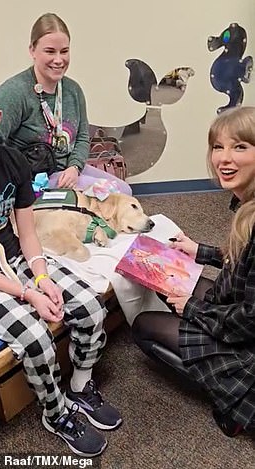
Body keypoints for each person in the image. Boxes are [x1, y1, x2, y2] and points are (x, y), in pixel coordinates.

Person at [0, 71, 122, 457]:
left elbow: (27, 234)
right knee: (36, 338)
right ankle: (55, 411)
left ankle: (79, 386)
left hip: (15, 256)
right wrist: (29, 293)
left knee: (91, 307)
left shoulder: (13, 161)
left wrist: (43, 276)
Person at [133, 106, 255, 438]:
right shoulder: (246, 202)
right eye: (219, 147)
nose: (224, 158)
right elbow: (242, 259)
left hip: (249, 345)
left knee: (144, 327)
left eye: (240, 147)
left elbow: (249, 320)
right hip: (240, 309)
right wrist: (199, 250)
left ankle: (237, 404)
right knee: (167, 280)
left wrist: (192, 309)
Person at [0, 12, 132, 195]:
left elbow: (82, 137)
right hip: (33, 179)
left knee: (123, 191)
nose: (59, 60)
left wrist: (74, 168)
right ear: (32, 50)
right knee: (111, 199)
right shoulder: (14, 92)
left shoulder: (73, 90)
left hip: (69, 172)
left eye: (64, 51)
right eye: (50, 51)